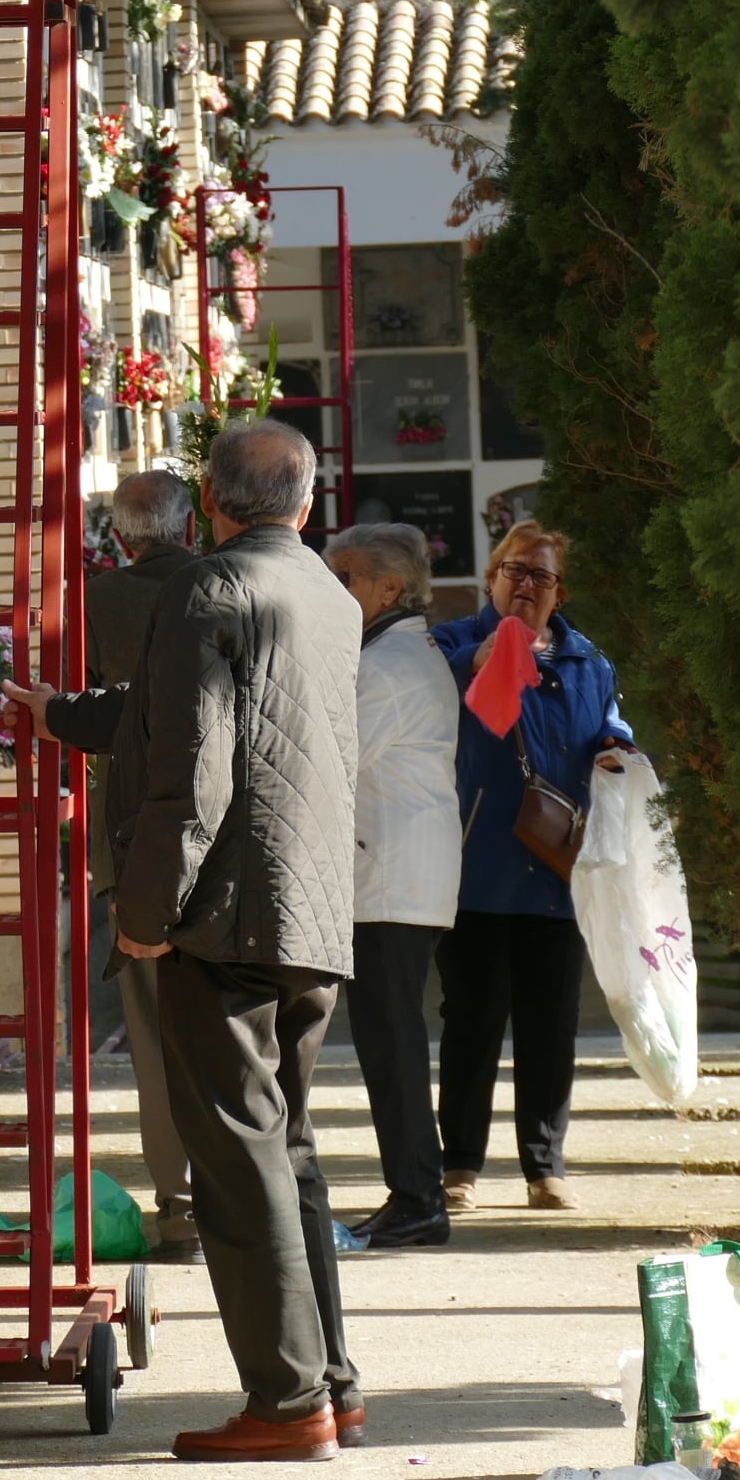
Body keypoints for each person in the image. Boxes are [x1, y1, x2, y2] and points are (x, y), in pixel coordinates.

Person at [4, 422, 365, 1463]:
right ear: (306, 504)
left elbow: (191, 767)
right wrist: (66, 715)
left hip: (229, 913)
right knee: (288, 1151)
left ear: (210, 503)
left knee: (237, 1164)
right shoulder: (329, 593)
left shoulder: (210, 588)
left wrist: (144, 916)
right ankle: (332, 1385)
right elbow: (177, 714)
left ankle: (287, 1403)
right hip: (310, 910)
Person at [427, 523, 631, 1213]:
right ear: (491, 578)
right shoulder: (451, 645)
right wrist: (474, 662)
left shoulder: (587, 661)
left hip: (555, 869)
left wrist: (618, 748)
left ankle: (546, 1167)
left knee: (550, 1024)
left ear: (558, 592)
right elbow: (425, 707)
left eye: (541, 575)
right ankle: (460, 1166)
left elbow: (611, 723)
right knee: (472, 1022)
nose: (525, 583)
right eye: (514, 569)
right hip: (475, 869)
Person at [323, 523, 463, 1249]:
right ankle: (415, 1195)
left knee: (392, 1043)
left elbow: (327, 759)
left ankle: (418, 1200)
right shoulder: (396, 652)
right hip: (397, 874)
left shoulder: (385, 665)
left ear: (389, 588)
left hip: (390, 878)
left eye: (344, 577)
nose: (333, 589)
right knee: (390, 1040)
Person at [80, 469, 201, 1255]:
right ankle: (248, 1200)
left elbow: (84, 707)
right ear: (189, 525)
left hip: (129, 843)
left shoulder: (98, 601)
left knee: (154, 1039)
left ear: (121, 537)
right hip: (224, 840)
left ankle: (180, 1210)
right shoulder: (223, 586)